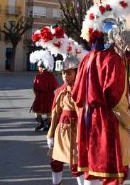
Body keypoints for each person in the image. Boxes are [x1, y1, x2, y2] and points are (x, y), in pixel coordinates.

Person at [73, 27, 130, 182]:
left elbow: (77, 96)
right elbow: (116, 100)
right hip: (106, 123)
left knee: (91, 170)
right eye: (119, 35)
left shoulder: (86, 59)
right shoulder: (112, 59)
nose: (122, 39)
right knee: (111, 174)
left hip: (87, 120)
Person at [47, 54, 85, 185]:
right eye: (63, 73)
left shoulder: (82, 91)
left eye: (69, 73)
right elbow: (55, 114)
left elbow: (82, 115)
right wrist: (50, 135)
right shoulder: (59, 91)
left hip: (75, 132)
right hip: (60, 132)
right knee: (56, 161)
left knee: (76, 164)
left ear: (77, 73)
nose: (65, 76)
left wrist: (81, 138)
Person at [30, 50, 58, 132]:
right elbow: (55, 86)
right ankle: (48, 125)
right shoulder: (51, 75)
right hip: (49, 96)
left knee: (37, 110)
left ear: (41, 67)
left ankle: (41, 123)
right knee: (49, 111)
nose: (38, 68)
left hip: (40, 96)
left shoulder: (38, 76)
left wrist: (37, 94)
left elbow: (35, 87)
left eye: (39, 67)